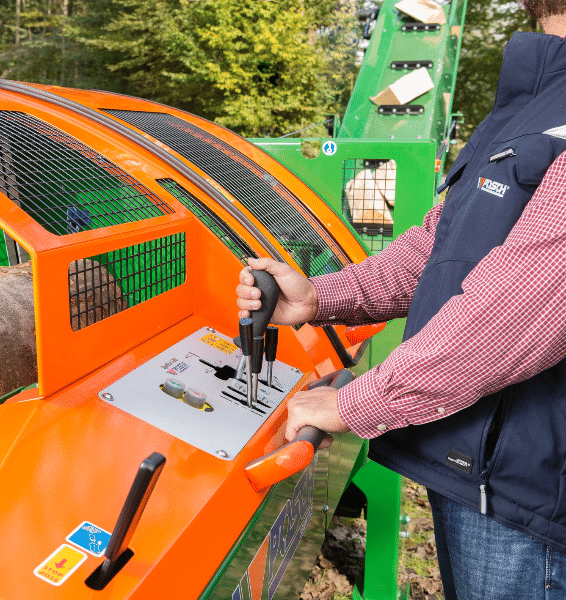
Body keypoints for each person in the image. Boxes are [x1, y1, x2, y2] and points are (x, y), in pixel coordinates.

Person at [238, 4, 566, 599]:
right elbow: (440, 245)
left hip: (532, 495)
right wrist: (317, 297)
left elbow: (515, 313)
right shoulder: (534, 99)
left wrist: (351, 406)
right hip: (482, 468)